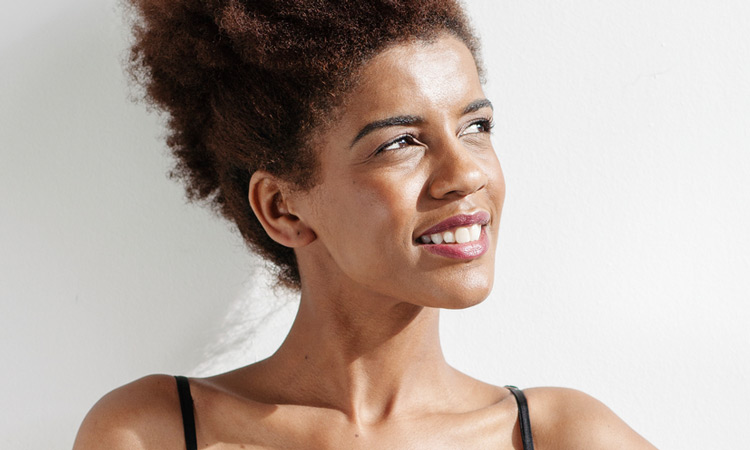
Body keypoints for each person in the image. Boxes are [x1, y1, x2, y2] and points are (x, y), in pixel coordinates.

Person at [74, 1, 656, 448]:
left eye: (476, 126)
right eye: (401, 142)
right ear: (283, 207)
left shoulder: (566, 437)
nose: (466, 174)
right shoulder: (155, 434)